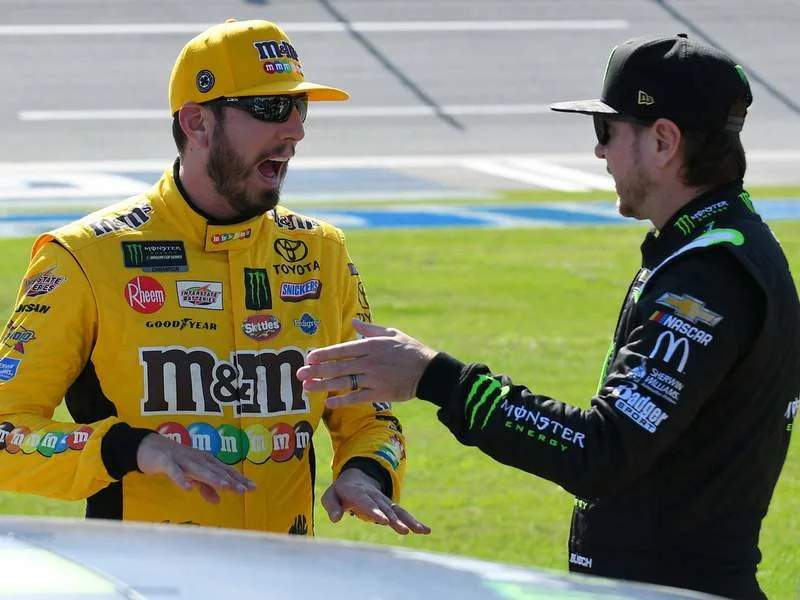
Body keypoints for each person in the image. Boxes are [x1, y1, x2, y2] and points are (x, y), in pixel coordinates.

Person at [296, 33, 799, 598]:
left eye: (605, 130)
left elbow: (602, 451)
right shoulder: (719, 247)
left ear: (663, 141)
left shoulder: (709, 274)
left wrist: (434, 377)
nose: (599, 152)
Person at [0, 18, 429, 537]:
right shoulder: (84, 257)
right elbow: (7, 432)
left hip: (288, 577)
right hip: (146, 580)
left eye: (300, 108)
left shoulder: (322, 253)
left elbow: (369, 416)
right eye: (270, 109)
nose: (294, 130)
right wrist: (130, 447)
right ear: (196, 121)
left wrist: (367, 472)